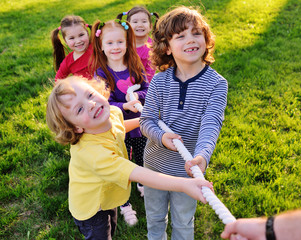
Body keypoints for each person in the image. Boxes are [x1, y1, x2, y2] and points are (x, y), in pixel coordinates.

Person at [45, 76, 214, 240]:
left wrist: (151, 126)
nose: (91, 104)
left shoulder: (112, 113)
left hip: (107, 196)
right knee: (100, 233)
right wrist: (185, 184)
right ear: (75, 128)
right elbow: (140, 174)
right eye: (79, 109)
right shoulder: (94, 154)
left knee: (111, 224)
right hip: (90, 208)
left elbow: (119, 128)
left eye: (90, 95)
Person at [140, 6, 228, 240]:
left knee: (183, 222)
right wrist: (160, 136)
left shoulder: (217, 84)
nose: (191, 40)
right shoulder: (159, 81)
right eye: (181, 36)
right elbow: (146, 120)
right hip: (155, 167)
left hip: (188, 171)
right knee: (155, 218)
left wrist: (202, 156)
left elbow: (211, 124)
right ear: (167, 48)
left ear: (206, 40)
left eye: (197, 33)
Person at [90, 19, 149, 226]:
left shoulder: (134, 64)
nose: (115, 47)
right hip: (117, 127)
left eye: (120, 42)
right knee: (121, 161)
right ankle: (123, 202)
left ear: (127, 42)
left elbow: (145, 87)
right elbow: (104, 102)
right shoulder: (101, 73)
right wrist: (125, 105)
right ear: (101, 46)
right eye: (110, 43)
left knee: (141, 155)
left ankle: (142, 182)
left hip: (139, 123)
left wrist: (137, 97)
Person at [116, 6, 159, 82]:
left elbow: (150, 74)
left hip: (143, 84)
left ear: (150, 26)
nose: (140, 25)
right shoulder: (123, 44)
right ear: (128, 26)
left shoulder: (152, 47)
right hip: (121, 79)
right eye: (135, 22)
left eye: (144, 21)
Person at [51, 15, 93, 81]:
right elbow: (58, 81)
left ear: (87, 33)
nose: (78, 41)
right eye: (72, 38)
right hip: (87, 90)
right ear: (65, 41)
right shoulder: (68, 62)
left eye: (81, 35)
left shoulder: (97, 47)